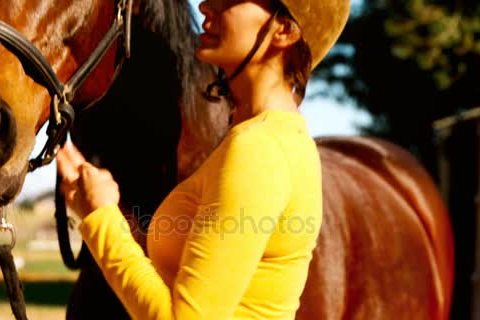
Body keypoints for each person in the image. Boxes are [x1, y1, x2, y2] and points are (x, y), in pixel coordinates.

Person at [57, 0, 350, 319]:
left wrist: (100, 218)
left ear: (283, 30)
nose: (205, 5)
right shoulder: (277, 138)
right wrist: (107, 210)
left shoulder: (257, 149)